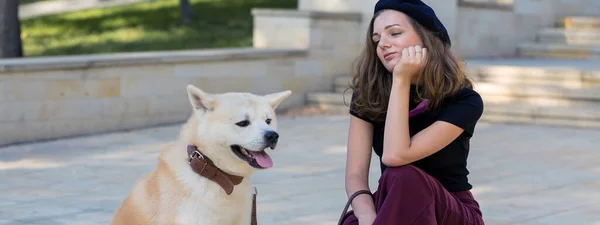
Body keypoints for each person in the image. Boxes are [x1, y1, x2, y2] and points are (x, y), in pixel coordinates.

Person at [341, 0, 485, 224]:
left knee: (403, 175)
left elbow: (395, 156)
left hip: (450, 212)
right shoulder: (368, 96)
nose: (383, 45)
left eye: (395, 33)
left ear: (426, 37)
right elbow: (355, 175)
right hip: (393, 204)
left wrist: (401, 79)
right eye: (377, 39)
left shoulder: (463, 101)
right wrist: (367, 216)